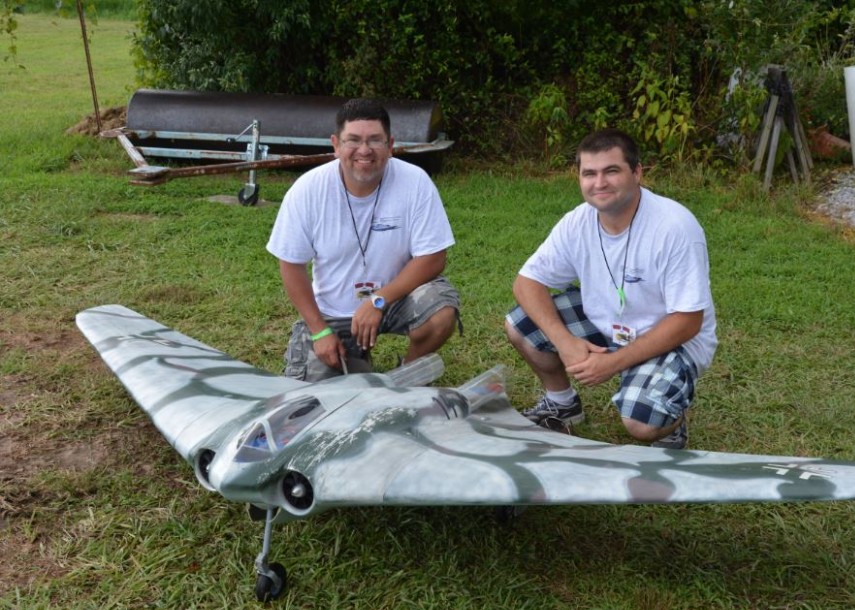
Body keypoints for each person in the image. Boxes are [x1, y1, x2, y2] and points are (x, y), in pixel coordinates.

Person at [505, 128, 717, 448]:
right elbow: (526, 283)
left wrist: (612, 364)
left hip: (670, 339)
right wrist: (564, 342)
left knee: (640, 421)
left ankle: (670, 423)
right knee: (520, 325)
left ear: (637, 173)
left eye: (611, 171)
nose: (599, 183)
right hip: (609, 322)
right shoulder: (578, 221)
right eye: (589, 173)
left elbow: (687, 321)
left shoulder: (675, 227)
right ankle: (562, 404)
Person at [267, 98, 460, 381]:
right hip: (334, 314)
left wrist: (378, 301)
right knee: (314, 399)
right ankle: (354, 356)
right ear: (336, 145)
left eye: (375, 140)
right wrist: (320, 331)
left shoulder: (415, 182)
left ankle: (405, 374)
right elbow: (291, 265)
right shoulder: (307, 190)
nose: (364, 150)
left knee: (440, 313)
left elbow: (433, 257)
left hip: (394, 300)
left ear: (390, 145)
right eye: (353, 140)